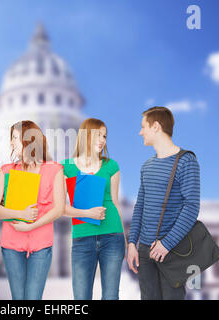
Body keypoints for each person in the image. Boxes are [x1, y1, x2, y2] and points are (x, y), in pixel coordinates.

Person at [127, 106, 200, 300]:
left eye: (143, 126)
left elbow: (191, 207)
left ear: (156, 127)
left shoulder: (186, 161)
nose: (140, 132)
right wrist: (132, 242)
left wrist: (166, 244)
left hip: (172, 250)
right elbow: (140, 206)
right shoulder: (147, 166)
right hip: (144, 251)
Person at [0, 120, 65, 300]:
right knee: (18, 298)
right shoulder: (6, 171)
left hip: (41, 243)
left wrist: (31, 225)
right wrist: (20, 214)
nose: (11, 143)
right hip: (11, 243)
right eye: (12, 138)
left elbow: (59, 209)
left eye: (15, 138)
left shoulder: (54, 170)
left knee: (33, 298)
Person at [60, 118, 126, 300]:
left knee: (111, 296)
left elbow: (115, 202)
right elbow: (59, 208)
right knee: (81, 297)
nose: (102, 140)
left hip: (113, 236)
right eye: (98, 135)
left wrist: (125, 240)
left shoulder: (111, 165)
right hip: (82, 238)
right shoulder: (66, 167)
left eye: (104, 136)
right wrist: (87, 214)